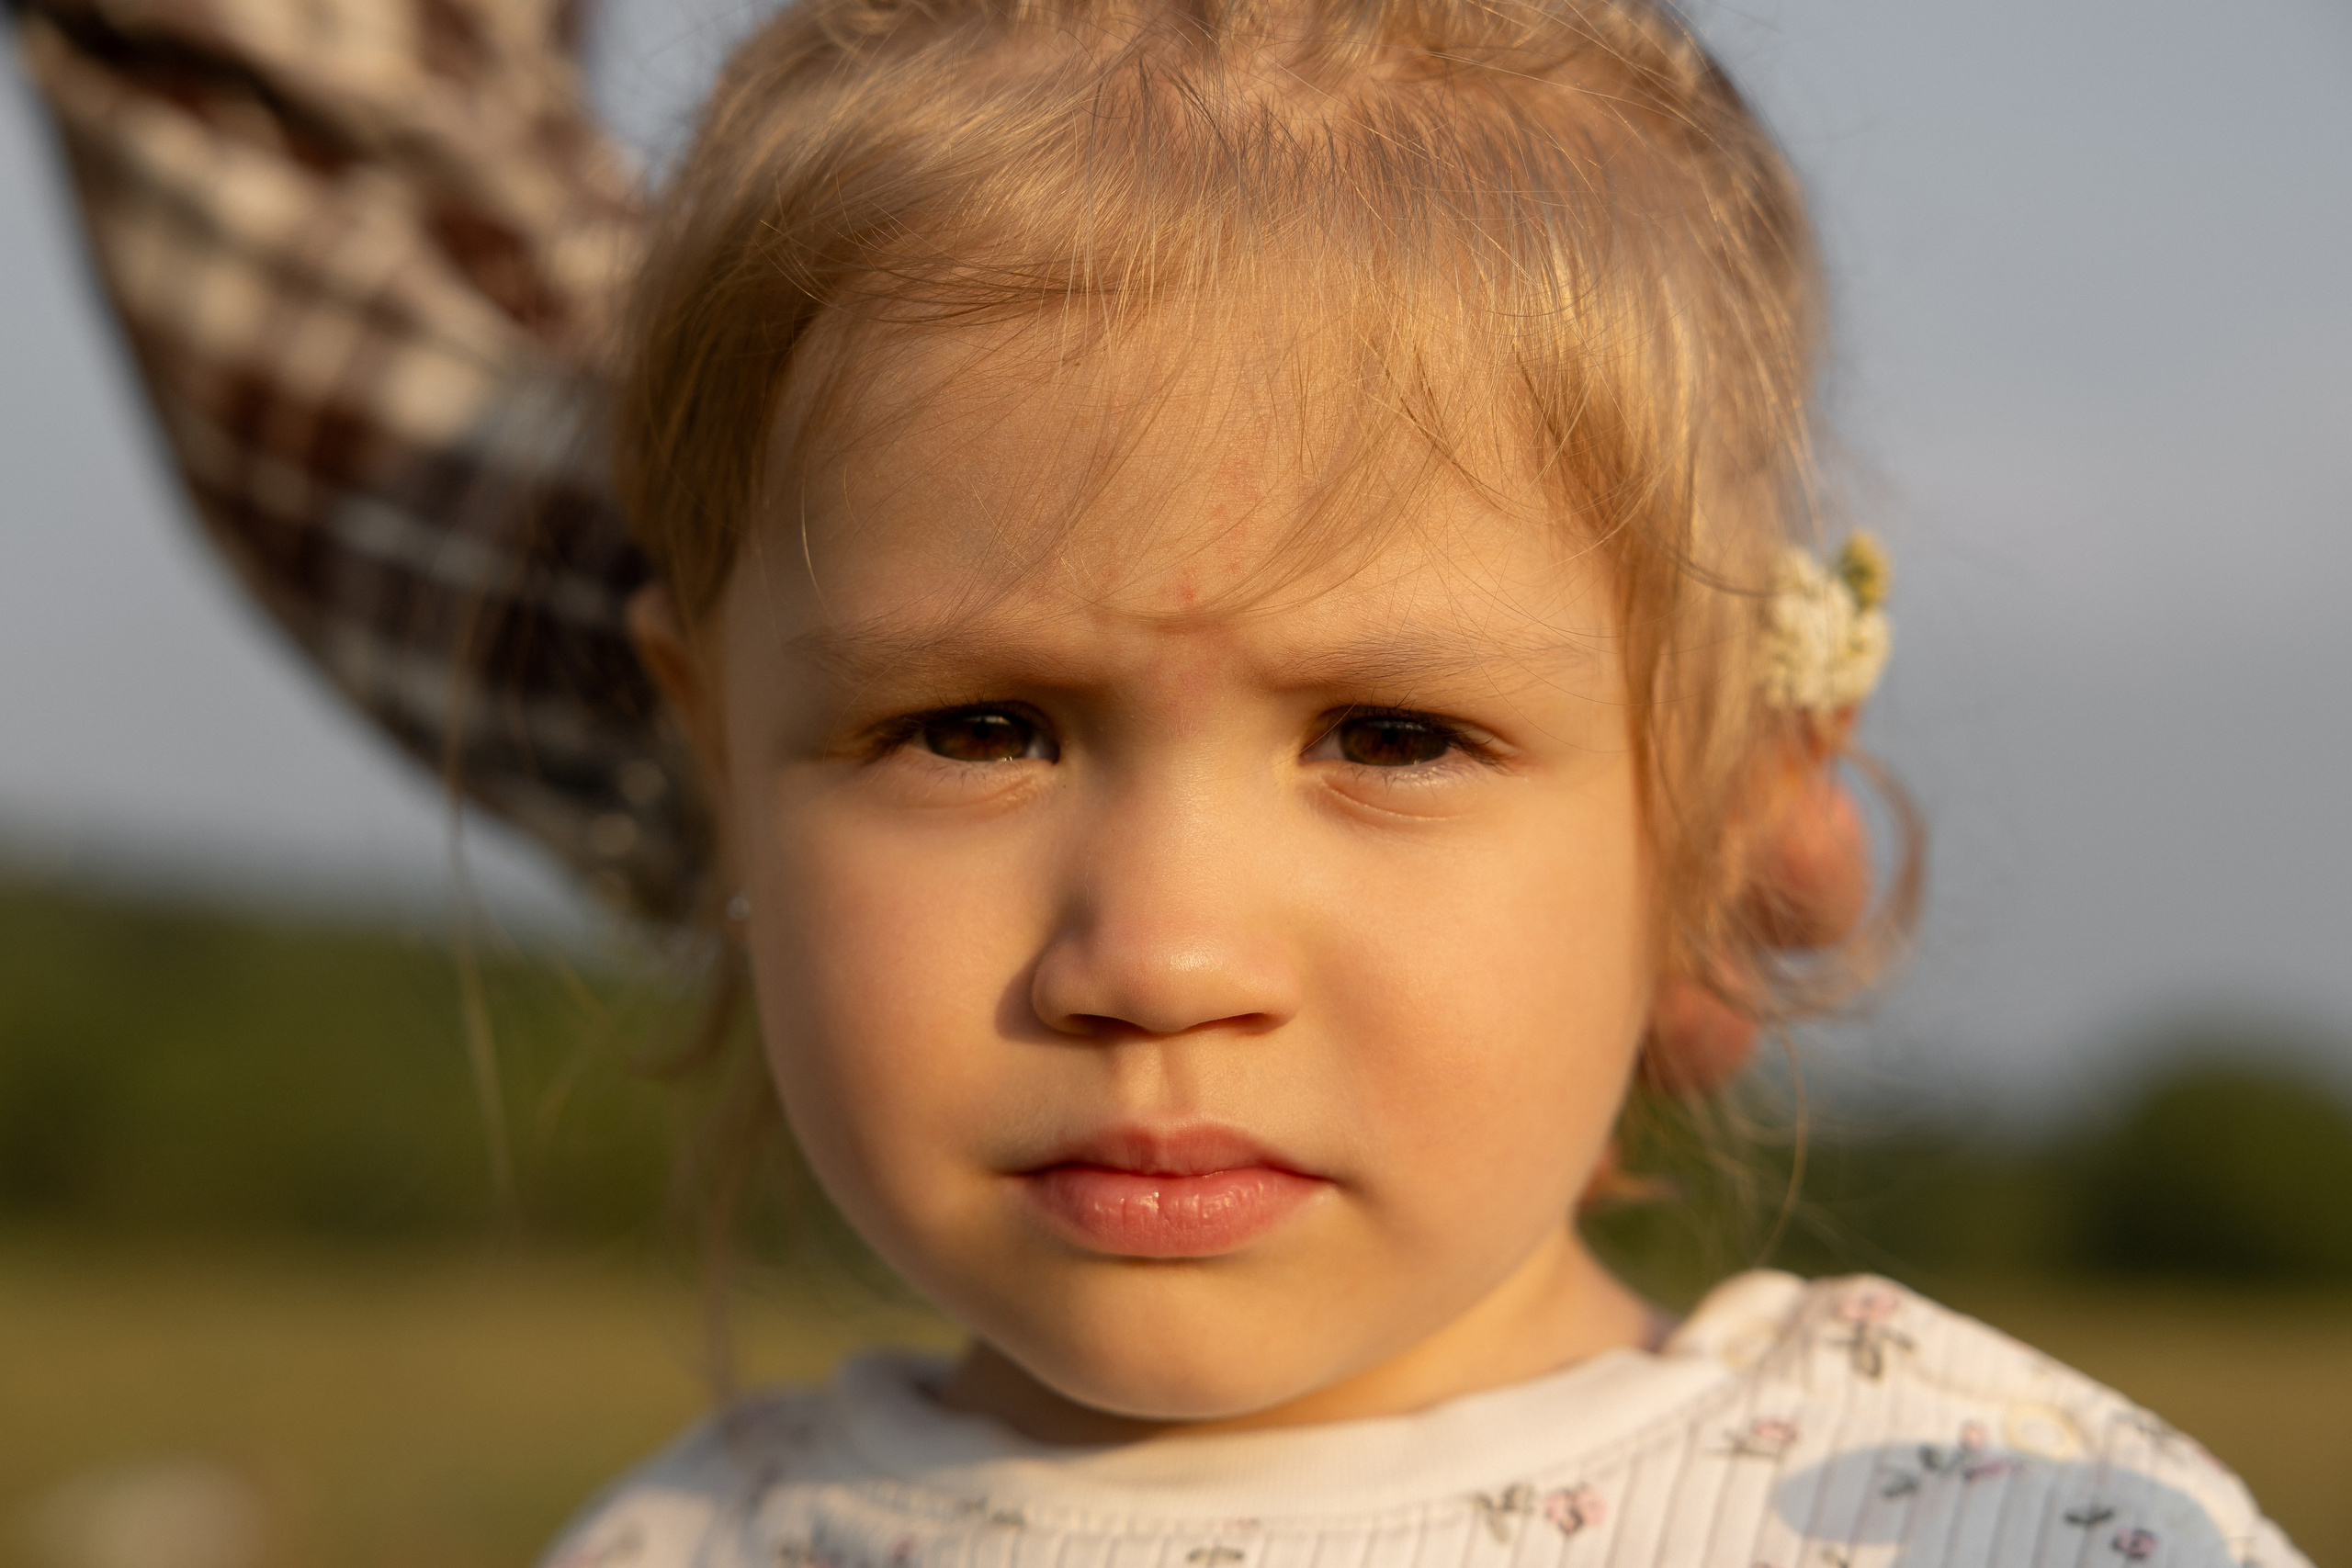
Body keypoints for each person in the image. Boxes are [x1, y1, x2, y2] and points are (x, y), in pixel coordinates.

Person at [7, 0, 2304, 1562]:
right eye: (971, 727)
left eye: (1390, 734)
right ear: (709, 756)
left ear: (1716, 822)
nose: (1157, 952)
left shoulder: (1994, 1515)